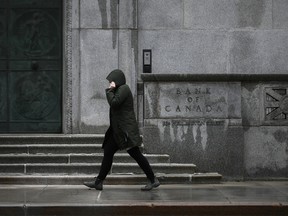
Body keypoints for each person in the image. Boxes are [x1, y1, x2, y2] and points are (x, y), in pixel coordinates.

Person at [83, 69, 160, 191]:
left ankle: (153, 179)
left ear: (116, 80)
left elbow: (114, 103)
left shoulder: (124, 88)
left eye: (111, 81)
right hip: (118, 131)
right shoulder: (119, 90)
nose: (109, 83)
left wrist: (110, 90)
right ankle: (98, 182)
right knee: (108, 152)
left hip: (125, 132)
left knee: (136, 155)